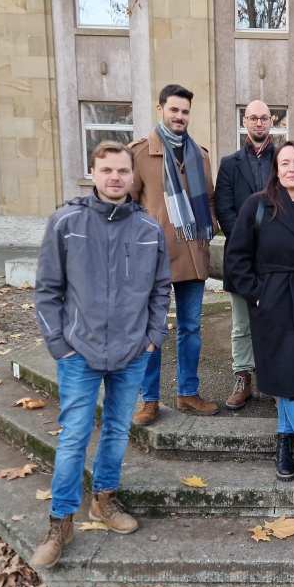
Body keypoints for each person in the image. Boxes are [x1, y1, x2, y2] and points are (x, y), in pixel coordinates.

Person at [31, 140, 170, 569]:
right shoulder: (66, 223)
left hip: (131, 352)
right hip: (79, 352)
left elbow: (159, 289)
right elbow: (47, 290)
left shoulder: (148, 230)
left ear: (133, 177)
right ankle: (60, 522)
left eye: (122, 171)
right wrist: (60, 344)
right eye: (106, 170)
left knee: (115, 431)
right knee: (74, 436)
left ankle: (104, 500)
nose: (115, 178)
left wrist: (152, 337)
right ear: (93, 172)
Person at [224, 141, 294, 492]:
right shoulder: (256, 206)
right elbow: (236, 258)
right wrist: (258, 294)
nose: (290, 168)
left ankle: (283, 442)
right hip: (271, 306)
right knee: (289, 381)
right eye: (283, 162)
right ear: (275, 169)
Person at [129, 84, 220, 424]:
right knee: (152, 330)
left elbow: (208, 199)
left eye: (185, 112)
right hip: (153, 258)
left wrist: (207, 224)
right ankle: (148, 399)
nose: (180, 117)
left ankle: (187, 393)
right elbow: (127, 205)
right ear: (161, 109)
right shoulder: (140, 153)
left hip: (193, 254)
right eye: (174, 110)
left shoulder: (200, 155)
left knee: (190, 328)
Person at [215, 99, 277, 410]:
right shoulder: (229, 164)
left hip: (277, 256)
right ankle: (243, 376)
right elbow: (223, 209)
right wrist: (245, 238)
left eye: (263, 118)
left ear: (272, 121)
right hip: (240, 255)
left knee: (275, 320)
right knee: (241, 324)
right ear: (245, 121)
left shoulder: (283, 159)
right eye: (252, 118)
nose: (258, 123)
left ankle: (276, 379)